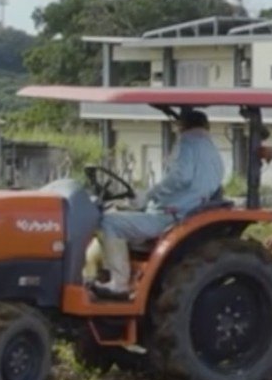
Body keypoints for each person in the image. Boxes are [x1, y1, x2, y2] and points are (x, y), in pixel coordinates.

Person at [90, 109, 225, 300]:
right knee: (121, 213)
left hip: (170, 215)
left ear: (181, 126)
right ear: (206, 126)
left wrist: (150, 193)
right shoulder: (212, 151)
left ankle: (118, 283)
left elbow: (180, 177)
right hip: (187, 210)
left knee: (109, 222)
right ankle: (115, 274)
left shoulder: (188, 142)